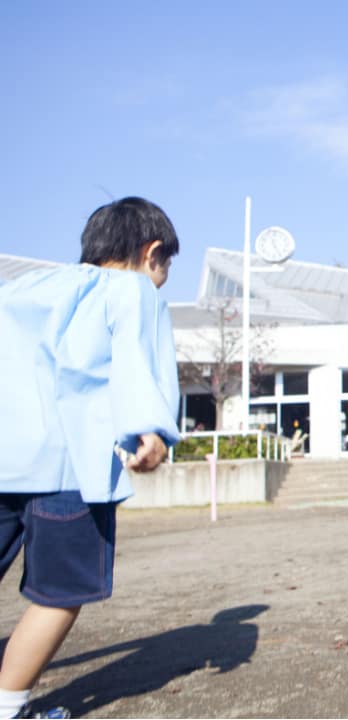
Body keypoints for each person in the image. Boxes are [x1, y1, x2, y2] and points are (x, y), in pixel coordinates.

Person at [0, 197, 182, 719]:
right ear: (152, 254)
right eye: (166, 267)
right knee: (59, 591)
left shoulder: (24, 289)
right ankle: (10, 707)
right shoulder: (132, 290)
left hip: (6, 459)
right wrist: (149, 429)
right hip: (70, 468)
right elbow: (133, 358)